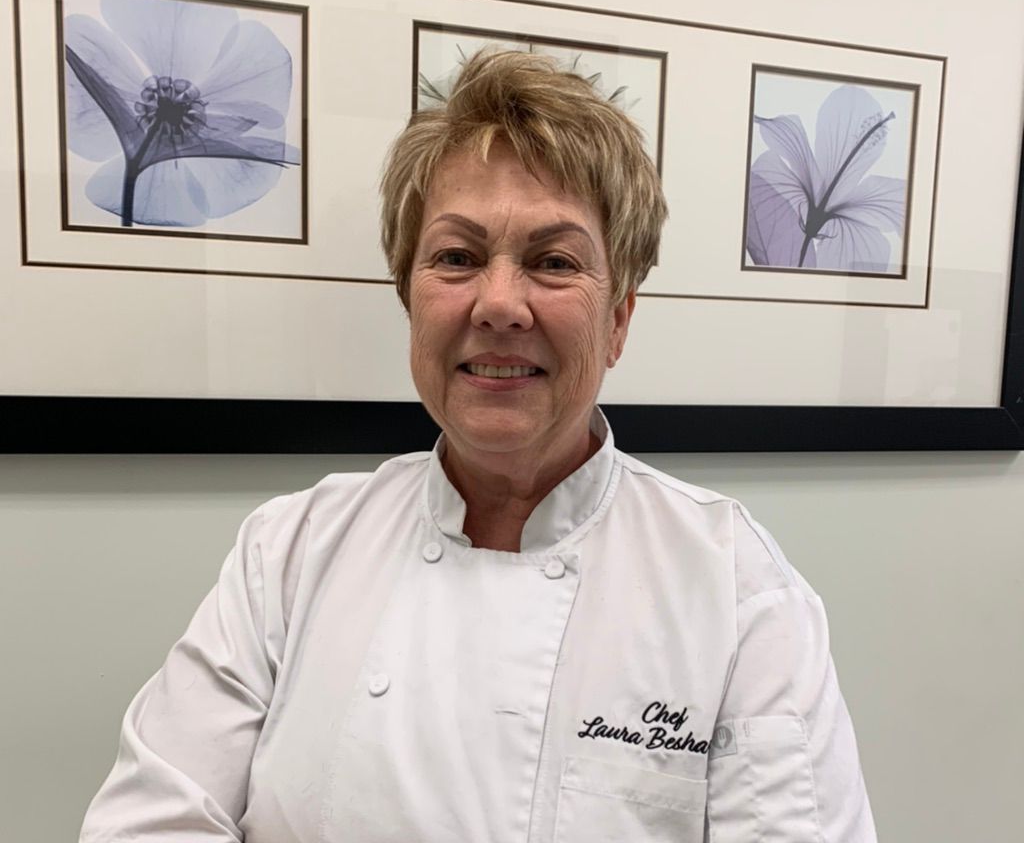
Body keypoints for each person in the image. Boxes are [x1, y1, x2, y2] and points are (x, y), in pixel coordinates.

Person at [80, 50, 876, 842]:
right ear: (410, 298)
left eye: (554, 262)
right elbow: (149, 824)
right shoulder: (288, 554)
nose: (499, 304)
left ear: (618, 321)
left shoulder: (738, 591)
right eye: (457, 258)